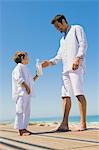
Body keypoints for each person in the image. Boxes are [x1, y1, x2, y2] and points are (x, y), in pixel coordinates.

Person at [42, 14, 88, 132]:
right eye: (56, 28)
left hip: (76, 67)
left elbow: (83, 44)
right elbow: (59, 56)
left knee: (79, 93)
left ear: (63, 21)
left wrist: (78, 58)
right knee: (65, 96)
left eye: (58, 26)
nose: (58, 29)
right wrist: (49, 62)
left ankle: (83, 123)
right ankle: (64, 124)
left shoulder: (77, 28)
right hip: (65, 70)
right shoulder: (62, 40)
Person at [12, 51, 38, 136]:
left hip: (27, 93)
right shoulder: (18, 68)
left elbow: (31, 81)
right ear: (22, 58)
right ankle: (20, 129)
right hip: (21, 93)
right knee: (20, 110)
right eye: (27, 57)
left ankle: (24, 128)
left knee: (27, 111)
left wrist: (37, 75)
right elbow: (19, 79)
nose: (28, 59)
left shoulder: (26, 68)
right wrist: (26, 87)